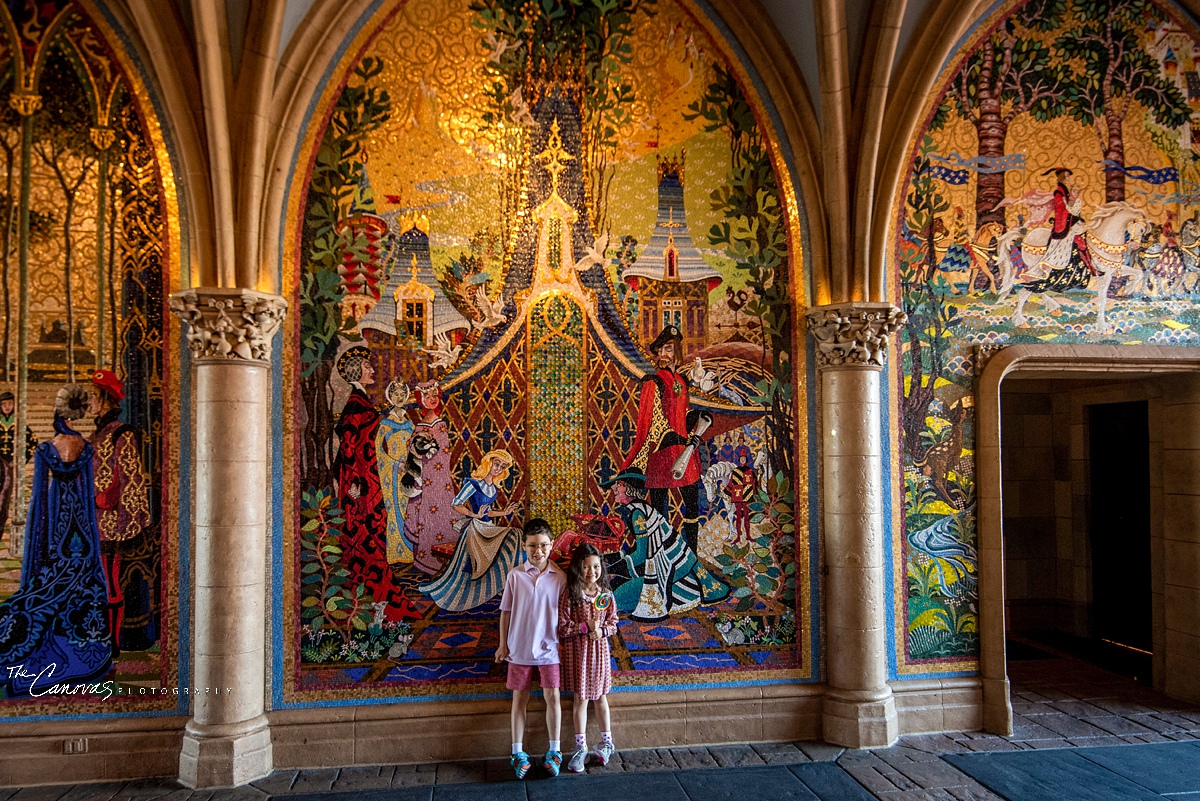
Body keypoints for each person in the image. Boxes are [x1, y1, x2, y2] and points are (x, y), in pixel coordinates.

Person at [0, 385, 111, 696]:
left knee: (50, 572)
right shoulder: (85, 447)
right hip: (80, 516)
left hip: (53, 512)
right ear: (74, 418)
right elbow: (88, 492)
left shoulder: (48, 448)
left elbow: (38, 498)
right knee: (79, 574)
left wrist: (39, 534)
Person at [622, 324, 726, 603]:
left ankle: (690, 566)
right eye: (664, 349)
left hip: (685, 455)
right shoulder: (652, 382)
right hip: (663, 455)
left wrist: (696, 421)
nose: (668, 353)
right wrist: (674, 439)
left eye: (672, 348)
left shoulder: (681, 381)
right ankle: (660, 569)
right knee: (660, 516)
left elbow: (682, 414)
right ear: (656, 354)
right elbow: (650, 422)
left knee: (692, 509)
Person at [333, 346, 416, 622]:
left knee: (373, 529)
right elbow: (348, 446)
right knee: (365, 529)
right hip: (360, 481)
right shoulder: (356, 404)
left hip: (369, 478)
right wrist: (353, 482)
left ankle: (372, 590)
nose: (372, 370)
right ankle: (368, 589)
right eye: (367, 367)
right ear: (357, 371)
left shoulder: (363, 401)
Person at [604, 467, 727, 621]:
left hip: (670, 574)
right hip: (673, 568)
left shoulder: (638, 514)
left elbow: (641, 554)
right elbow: (641, 548)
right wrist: (611, 559)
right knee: (614, 586)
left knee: (616, 598)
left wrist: (609, 568)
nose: (614, 488)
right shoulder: (642, 509)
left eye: (619, 484)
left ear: (629, 488)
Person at [495, 518, 566, 779]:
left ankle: (555, 750)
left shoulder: (560, 577)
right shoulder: (515, 575)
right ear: (524, 546)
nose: (538, 550)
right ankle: (517, 752)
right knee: (519, 700)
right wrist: (503, 644)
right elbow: (505, 612)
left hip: (550, 651)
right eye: (533, 545)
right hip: (519, 649)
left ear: (552, 545)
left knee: (553, 698)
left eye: (544, 545)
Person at [89, 369, 152, 654]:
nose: (89, 401)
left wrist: (126, 521)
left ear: (105, 400)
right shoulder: (95, 434)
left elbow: (131, 478)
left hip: (112, 523)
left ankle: (112, 645)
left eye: (93, 396)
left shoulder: (121, 433)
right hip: (94, 520)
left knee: (111, 582)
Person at [419, 449, 522, 611]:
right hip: (475, 528)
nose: (498, 469)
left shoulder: (493, 489)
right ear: (489, 463)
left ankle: (501, 584)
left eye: (502, 467)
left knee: (515, 536)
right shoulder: (473, 484)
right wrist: (474, 514)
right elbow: (456, 504)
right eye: (497, 464)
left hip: (488, 526)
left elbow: (487, 512)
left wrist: (504, 512)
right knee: (511, 535)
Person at [557, 542, 618, 773]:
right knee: (580, 699)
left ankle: (607, 743)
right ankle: (580, 747)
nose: (591, 572)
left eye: (595, 566)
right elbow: (562, 627)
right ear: (577, 568)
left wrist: (602, 630)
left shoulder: (606, 596)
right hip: (578, 655)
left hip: (599, 654)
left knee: (601, 698)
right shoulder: (571, 595)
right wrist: (583, 627)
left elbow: (613, 623)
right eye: (586, 567)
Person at [404, 379, 457, 574]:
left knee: (437, 513)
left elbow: (443, 452)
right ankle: (421, 559)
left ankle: (436, 559)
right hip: (421, 475)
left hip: (437, 477)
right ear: (421, 400)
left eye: (435, 395)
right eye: (428, 396)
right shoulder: (419, 425)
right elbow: (412, 449)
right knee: (421, 512)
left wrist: (425, 450)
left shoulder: (439, 423)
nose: (432, 399)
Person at [376, 380, 415, 565]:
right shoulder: (386, 423)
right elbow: (379, 451)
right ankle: (395, 554)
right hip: (392, 474)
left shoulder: (409, 424)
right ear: (390, 397)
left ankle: (411, 552)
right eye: (395, 394)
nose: (399, 398)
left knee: (411, 510)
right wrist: (393, 465)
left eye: (402, 394)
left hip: (409, 472)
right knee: (395, 510)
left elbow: (415, 448)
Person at [0, 390, 36, 539]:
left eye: (10, 404)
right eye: (4, 404)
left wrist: (21, 459)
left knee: (4, 498)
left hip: (10, 466)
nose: (7, 407)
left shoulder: (19, 424)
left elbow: (33, 442)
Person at [725, 451, 757, 544]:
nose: (743, 460)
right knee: (738, 517)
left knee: (746, 516)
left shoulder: (750, 471)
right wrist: (727, 491)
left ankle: (748, 536)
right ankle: (738, 536)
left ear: (746, 460)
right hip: (738, 497)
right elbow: (731, 483)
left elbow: (754, 483)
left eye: (744, 459)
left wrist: (755, 494)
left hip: (747, 496)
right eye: (741, 459)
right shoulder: (735, 471)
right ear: (739, 460)